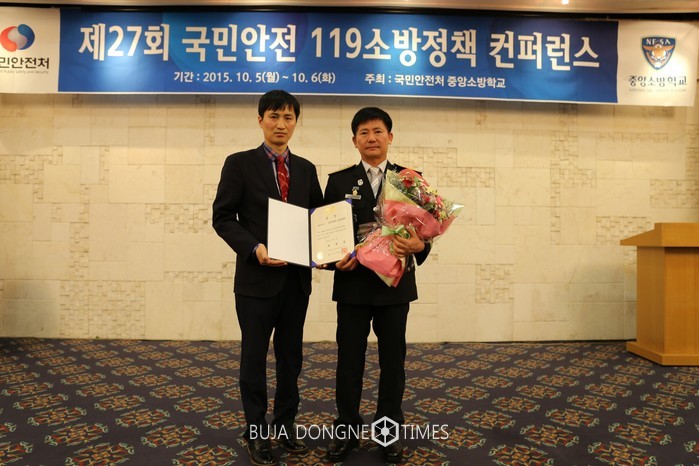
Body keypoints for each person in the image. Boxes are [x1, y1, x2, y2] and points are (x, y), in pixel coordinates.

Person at [212, 90, 323, 466]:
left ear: (296, 123)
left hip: (295, 282)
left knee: (291, 359)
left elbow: (318, 220)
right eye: (274, 116)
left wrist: (329, 249)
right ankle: (256, 434)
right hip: (256, 282)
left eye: (289, 117)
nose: (281, 124)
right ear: (260, 120)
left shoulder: (306, 169)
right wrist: (254, 247)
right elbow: (223, 217)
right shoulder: (239, 164)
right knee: (253, 359)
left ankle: (286, 425)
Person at [323, 107, 430, 464]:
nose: (371, 138)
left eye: (378, 131)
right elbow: (325, 233)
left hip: (394, 286)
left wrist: (419, 245)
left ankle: (388, 433)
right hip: (352, 284)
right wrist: (331, 260)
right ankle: (346, 431)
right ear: (354, 140)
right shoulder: (338, 182)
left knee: (393, 363)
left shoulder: (410, 180)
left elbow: (425, 232)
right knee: (348, 362)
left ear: (390, 137)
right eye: (364, 133)